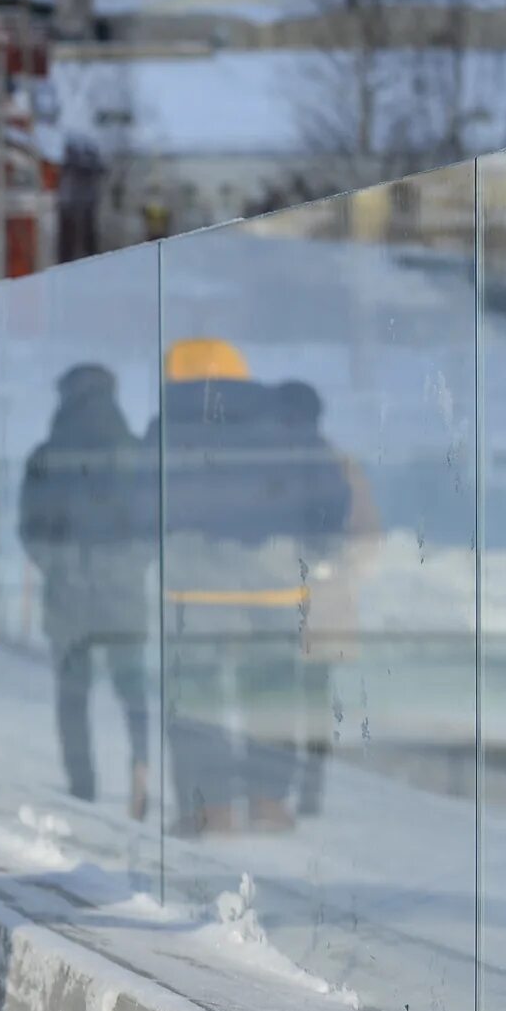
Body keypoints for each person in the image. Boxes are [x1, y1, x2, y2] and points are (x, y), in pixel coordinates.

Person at [152, 340, 349, 837]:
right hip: (275, 589)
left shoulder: (166, 430)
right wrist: (316, 551)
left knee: (195, 701)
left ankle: (212, 809)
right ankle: (267, 802)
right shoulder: (285, 424)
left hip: (193, 592)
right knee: (272, 695)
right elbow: (329, 491)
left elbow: (137, 502)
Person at [18, 363, 155, 818]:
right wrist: (125, 567)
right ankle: (141, 776)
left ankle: (82, 786)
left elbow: (31, 532)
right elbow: (154, 528)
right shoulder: (136, 454)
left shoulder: (46, 456)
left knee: (73, 697)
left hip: (69, 599)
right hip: (124, 598)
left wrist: (65, 569)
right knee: (133, 693)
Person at [277, 380, 381, 817]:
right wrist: (340, 573)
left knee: (281, 697)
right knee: (311, 698)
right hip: (324, 602)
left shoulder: (271, 463)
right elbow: (369, 537)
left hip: (284, 600)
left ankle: (284, 788)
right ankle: (306, 790)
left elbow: (367, 537)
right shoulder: (340, 463)